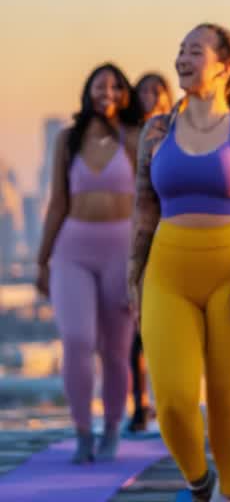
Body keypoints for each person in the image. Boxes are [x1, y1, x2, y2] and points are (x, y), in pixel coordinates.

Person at [130, 24, 230, 502]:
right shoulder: (157, 131)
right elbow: (143, 207)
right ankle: (200, 481)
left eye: (195, 50)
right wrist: (133, 275)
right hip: (168, 273)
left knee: (224, 396)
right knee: (173, 400)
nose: (182, 58)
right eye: (179, 49)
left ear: (225, 67)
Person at [35, 64, 142, 463]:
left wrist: (143, 261)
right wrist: (42, 260)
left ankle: (112, 426)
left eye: (116, 86)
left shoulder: (134, 137)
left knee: (116, 351)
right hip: (71, 250)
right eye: (100, 85)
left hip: (121, 251)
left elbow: (146, 203)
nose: (108, 92)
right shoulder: (68, 139)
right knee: (77, 341)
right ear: (88, 92)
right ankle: (82, 429)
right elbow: (57, 202)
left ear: (125, 94)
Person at [128, 72, 172, 434]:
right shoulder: (134, 135)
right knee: (139, 325)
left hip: (172, 238)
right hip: (136, 237)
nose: (149, 95)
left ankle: (166, 403)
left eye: (156, 89)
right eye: (143, 90)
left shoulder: (179, 131)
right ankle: (141, 402)